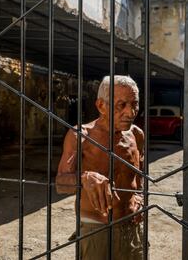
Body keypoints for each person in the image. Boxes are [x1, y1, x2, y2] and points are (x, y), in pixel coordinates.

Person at [56, 75, 145, 260]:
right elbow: (61, 183)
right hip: (95, 227)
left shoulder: (137, 135)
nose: (131, 112)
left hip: (132, 225)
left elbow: (139, 175)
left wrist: (139, 196)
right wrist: (84, 177)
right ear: (101, 106)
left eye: (134, 104)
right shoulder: (80, 135)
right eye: (122, 105)